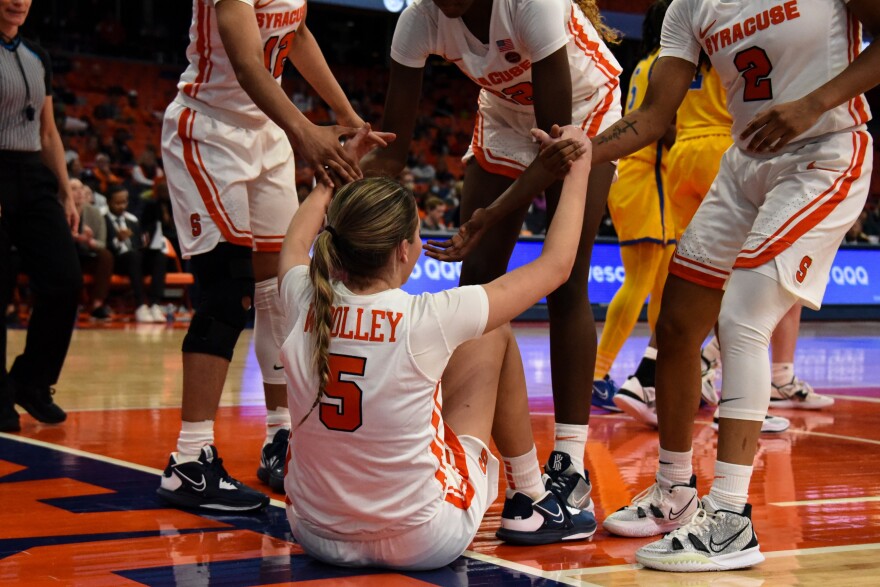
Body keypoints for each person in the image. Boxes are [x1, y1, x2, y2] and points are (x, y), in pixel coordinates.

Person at [589, 0, 878, 572]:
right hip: (742, 163)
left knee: (742, 317)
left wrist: (815, 103)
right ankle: (674, 491)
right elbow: (651, 118)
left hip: (823, 151)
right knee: (674, 325)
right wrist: (580, 150)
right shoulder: (687, 7)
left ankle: (729, 519)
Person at [282, 125, 596, 570]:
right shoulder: (429, 316)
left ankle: (531, 496)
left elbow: (294, 244)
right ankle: (530, 496)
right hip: (422, 538)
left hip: (315, 531)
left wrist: (327, 181)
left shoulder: (301, 296)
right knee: (492, 330)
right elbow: (557, 265)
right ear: (403, 251)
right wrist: (580, 166)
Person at [362, 0, 623, 526]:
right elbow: (393, 151)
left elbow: (554, 153)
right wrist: (344, 183)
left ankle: (569, 464)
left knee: (567, 279)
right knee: (475, 285)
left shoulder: (532, 6)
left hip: (580, 111)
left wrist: (492, 213)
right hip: (505, 113)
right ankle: (459, 442)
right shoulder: (418, 21)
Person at [157, 0, 377, 511]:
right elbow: (248, 63)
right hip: (208, 130)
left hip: (266, 133)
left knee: (283, 289)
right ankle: (189, 461)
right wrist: (307, 135)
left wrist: (345, 113)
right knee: (224, 292)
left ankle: (280, 437)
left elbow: (296, 34)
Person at [0, 0, 82, 433]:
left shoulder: (37, 55)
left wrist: (66, 192)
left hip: (33, 173)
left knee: (64, 280)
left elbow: (48, 131)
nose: (18, 2)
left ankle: (32, 382)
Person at [593, 0, 675, 405]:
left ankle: (655, 373)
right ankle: (596, 373)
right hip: (645, 176)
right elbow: (669, 126)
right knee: (642, 280)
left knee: (662, 285)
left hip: (641, 176)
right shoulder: (670, 64)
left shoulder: (646, 62)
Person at [105, 184, 168, 324]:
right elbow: (104, 248)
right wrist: (118, 240)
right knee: (133, 256)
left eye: (124, 202)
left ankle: (155, 304)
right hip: (116, 261)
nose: (122, 206)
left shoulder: (132, 220)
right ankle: (140, 305)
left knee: (159, 256)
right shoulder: (103, 218)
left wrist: (146, 245)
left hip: (135, 260)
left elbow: (138, 244)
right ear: (108, 201)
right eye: (117, 203)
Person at [71, 178, 114, 320]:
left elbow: (102, 243)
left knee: (106, 255)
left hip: (87, 256)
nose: (79, 192)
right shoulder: (58, 211)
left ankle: (97, 304)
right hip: (66, 256)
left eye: (80, 188)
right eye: (73, 189)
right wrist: (73, 238)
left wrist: (89, 241)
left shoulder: (95, 213)